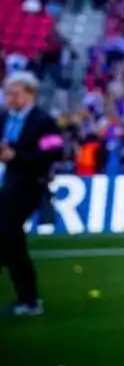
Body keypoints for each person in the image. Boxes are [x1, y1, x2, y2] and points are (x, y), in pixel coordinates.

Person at [0, 71, 63, 316]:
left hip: (29, 187)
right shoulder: (6, 118)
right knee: (12, 243)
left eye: (14, 94)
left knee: (8, 236)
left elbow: (53, 154)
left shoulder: (44, 122)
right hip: (9, 186)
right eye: (8, 94)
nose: (9, 99)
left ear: (29, 94)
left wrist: (17, 157)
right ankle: (28, 299)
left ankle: (29, 300)